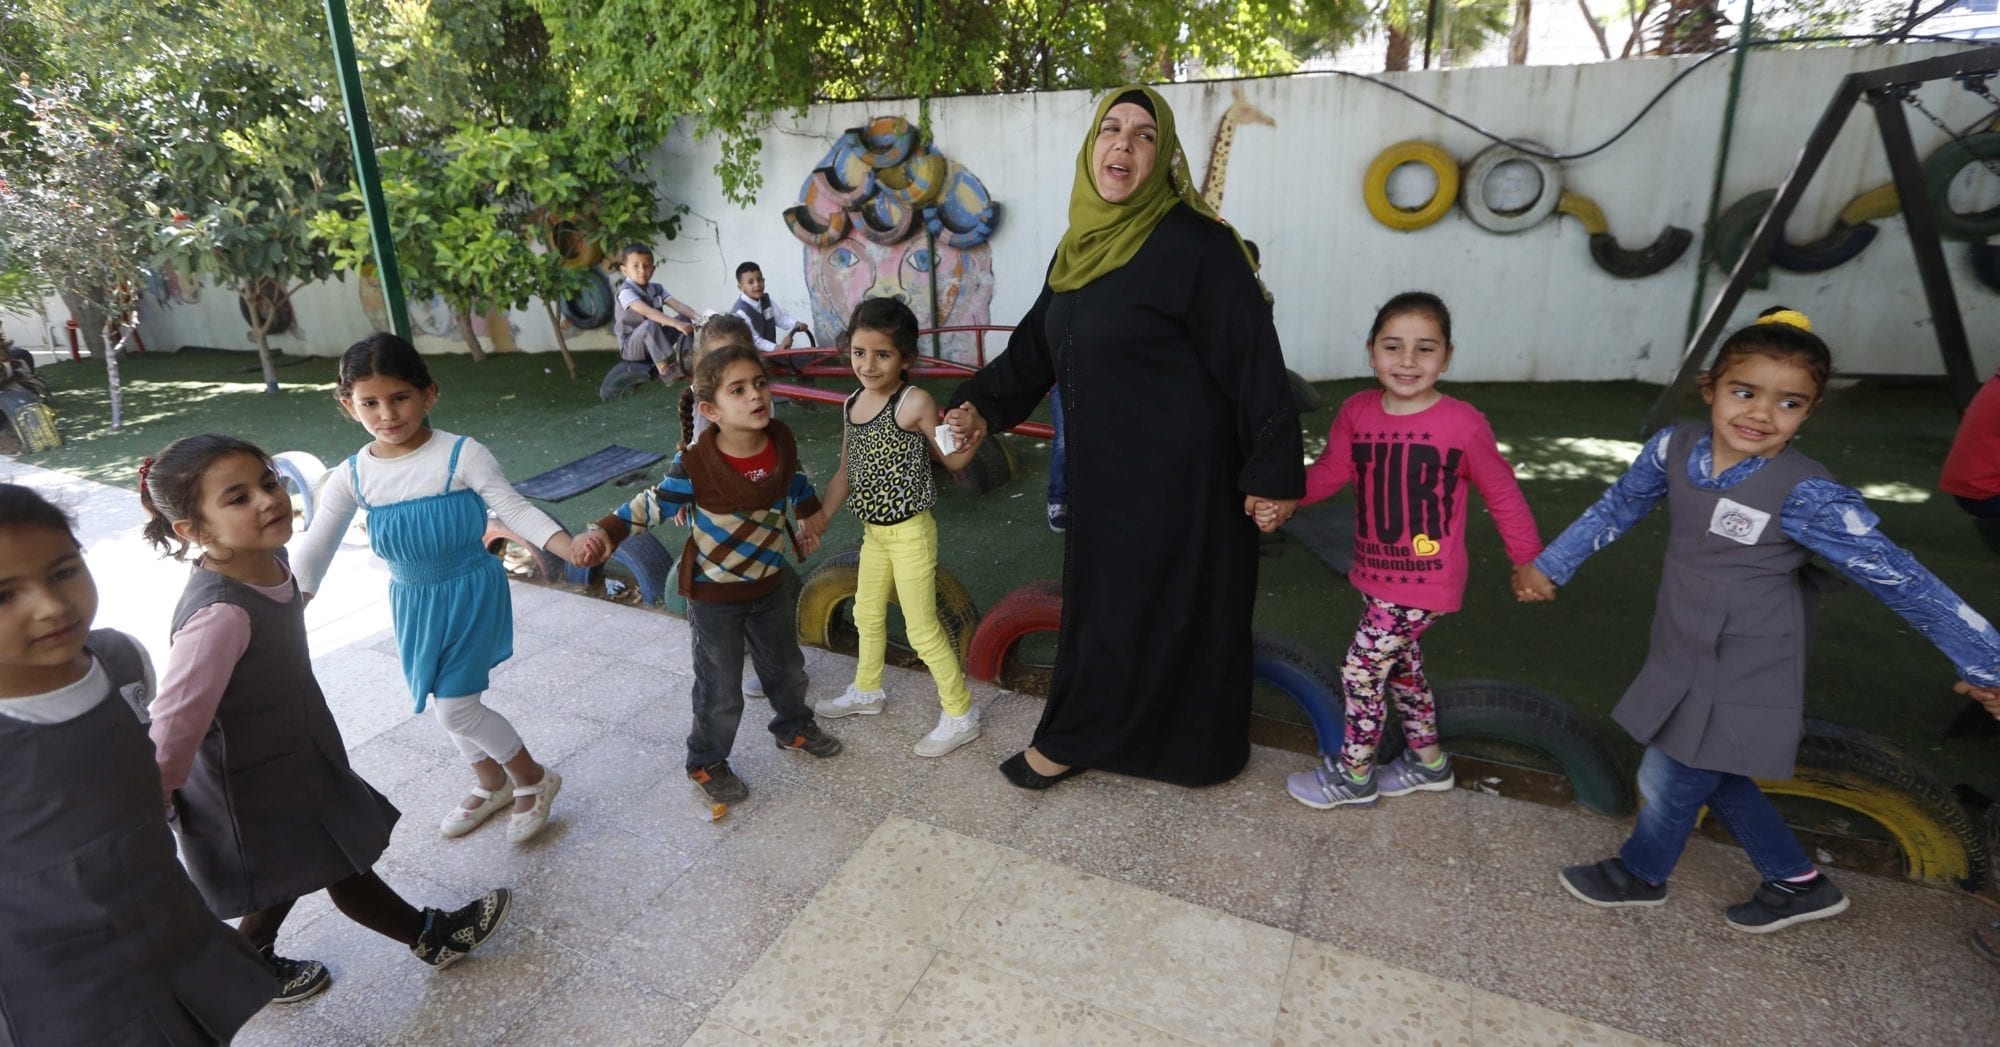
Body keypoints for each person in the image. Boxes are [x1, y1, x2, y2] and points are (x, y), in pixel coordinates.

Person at [1513, 309, 2000, 933]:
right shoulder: (1674, 448)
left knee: (1671, 769)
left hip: (1748, 656)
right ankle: (1798, 882)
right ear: (1710, 387)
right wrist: (1552, 564)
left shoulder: (1806, 493)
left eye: (1789, 403)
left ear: (1810, 411)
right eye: (1745, 392)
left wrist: (1986, 662)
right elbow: (1620, 505)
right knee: (1714, 766)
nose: (1762, 415)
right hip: (1684, 637)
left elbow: (1904, 581)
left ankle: (1641, 874)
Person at [941, 85, 1305, 789]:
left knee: (1180, 614)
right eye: (1111, 129)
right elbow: (1036, 347)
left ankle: (1190, 752)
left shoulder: (1199, 246)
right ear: (1091, 149)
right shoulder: (1079, 248)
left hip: (1188, 481)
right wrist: (980, 404)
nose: (1124, 144)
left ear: (1162, 154)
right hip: (1110, 477)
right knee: (1108, 609)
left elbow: (1254, 356)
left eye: (1143, 134)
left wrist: (1273, 468)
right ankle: (1084, 735)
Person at [139, 436, 514, 997]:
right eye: (237, 498)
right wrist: (153, 802)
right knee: (333, 856)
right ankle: (430, 936)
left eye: (268, 482)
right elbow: (176, 719)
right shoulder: (218, 615)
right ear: (195, 531)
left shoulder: (270, 562)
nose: (268, 501)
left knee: (293, 861)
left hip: (289, 745)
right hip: (245, 776)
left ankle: (247, 962)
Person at [0, 483, 277, 1045]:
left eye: (62, 572)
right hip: (58, 979)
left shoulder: (118, 658)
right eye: (2, 596)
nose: (50, 606)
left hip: (164, 917)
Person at [294, 334, 571, 844]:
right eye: (369, 403)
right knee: (435, 690)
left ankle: (532, 777)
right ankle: (491, 784)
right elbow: (316, 547)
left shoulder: (461, 456)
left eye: (399, 397)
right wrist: (287, 604)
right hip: (412, 598)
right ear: (347, 405)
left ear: (429, 394)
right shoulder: (354, 475)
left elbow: (513, 508)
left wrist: (566, 547)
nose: (387, 414)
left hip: (469, 588)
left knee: (456, 706)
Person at [1282, 292, 1542, 810]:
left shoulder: (1463, 424)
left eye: (1425, 349)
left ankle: (1355, 776)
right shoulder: (1358, 411)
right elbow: (1334, 472)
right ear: (1371, 351)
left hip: (1426, 581)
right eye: (1393, 346)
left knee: (1360, 670)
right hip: (1377, 573)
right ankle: (1429, 764)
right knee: (1402, 669)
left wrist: (1529, 559)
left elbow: (1503, 492)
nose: (1407, 361)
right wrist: (1283, 495)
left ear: (1446, 358)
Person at [573, 345, 839, 804]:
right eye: (738, 390)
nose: (755, 395)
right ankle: (706, 761)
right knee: (720, 689)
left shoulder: (780, 441)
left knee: (787, 671)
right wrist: (606, 531)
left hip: (770, 586)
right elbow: (653, 504)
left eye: (759, 384)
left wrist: (809, 510)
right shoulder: (696, 465)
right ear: (711, 410)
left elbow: (793, 480)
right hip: (714, 597)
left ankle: (793, 727)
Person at [805, 298, 985, 756]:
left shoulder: (915, 402)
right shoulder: (851, 405)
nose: (868, 364)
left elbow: (954, 458)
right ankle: (868, 690)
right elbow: (846, 471)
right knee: (866, 613)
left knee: (922, 628)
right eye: (859, 352)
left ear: (906, 359)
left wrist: (974, 436)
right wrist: (821, 516)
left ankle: (961, 713)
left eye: (882, 354)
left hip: (910, 533)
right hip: (874, 534)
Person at [603, 243, 701, 398]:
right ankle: (665, 371)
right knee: (650, 323)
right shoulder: (625, 292)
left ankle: (687, 360)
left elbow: (678, 305)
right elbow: (647, 312)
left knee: (685, 319)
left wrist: (701, 319)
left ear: (653, 269)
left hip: (654, 338)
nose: (642, 271)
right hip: (632, 347)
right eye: (636, 266)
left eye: (646, 266)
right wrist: (676, 324)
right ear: (624, 270)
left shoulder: (656, 288)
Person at [730, 260, 813, 358]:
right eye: (750, 282)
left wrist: (796, 324)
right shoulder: (740, 312)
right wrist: (778, 348)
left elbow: (781, 318)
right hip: (752, 358)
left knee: (804, 359)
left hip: (770, 353)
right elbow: (755, 341)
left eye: (759, 280)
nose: (757, 284)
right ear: (741, 287)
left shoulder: (766, 301)